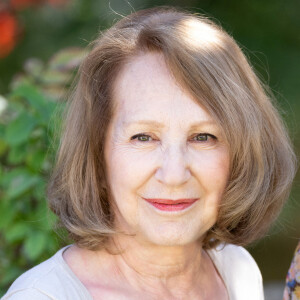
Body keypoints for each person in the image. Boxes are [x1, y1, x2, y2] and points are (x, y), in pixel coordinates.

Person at [2, 6, 297, 300]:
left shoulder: (236, 270)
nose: (173, 175)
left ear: (240, 154)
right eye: (143, 137)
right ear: (97, 153)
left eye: (203, 137)